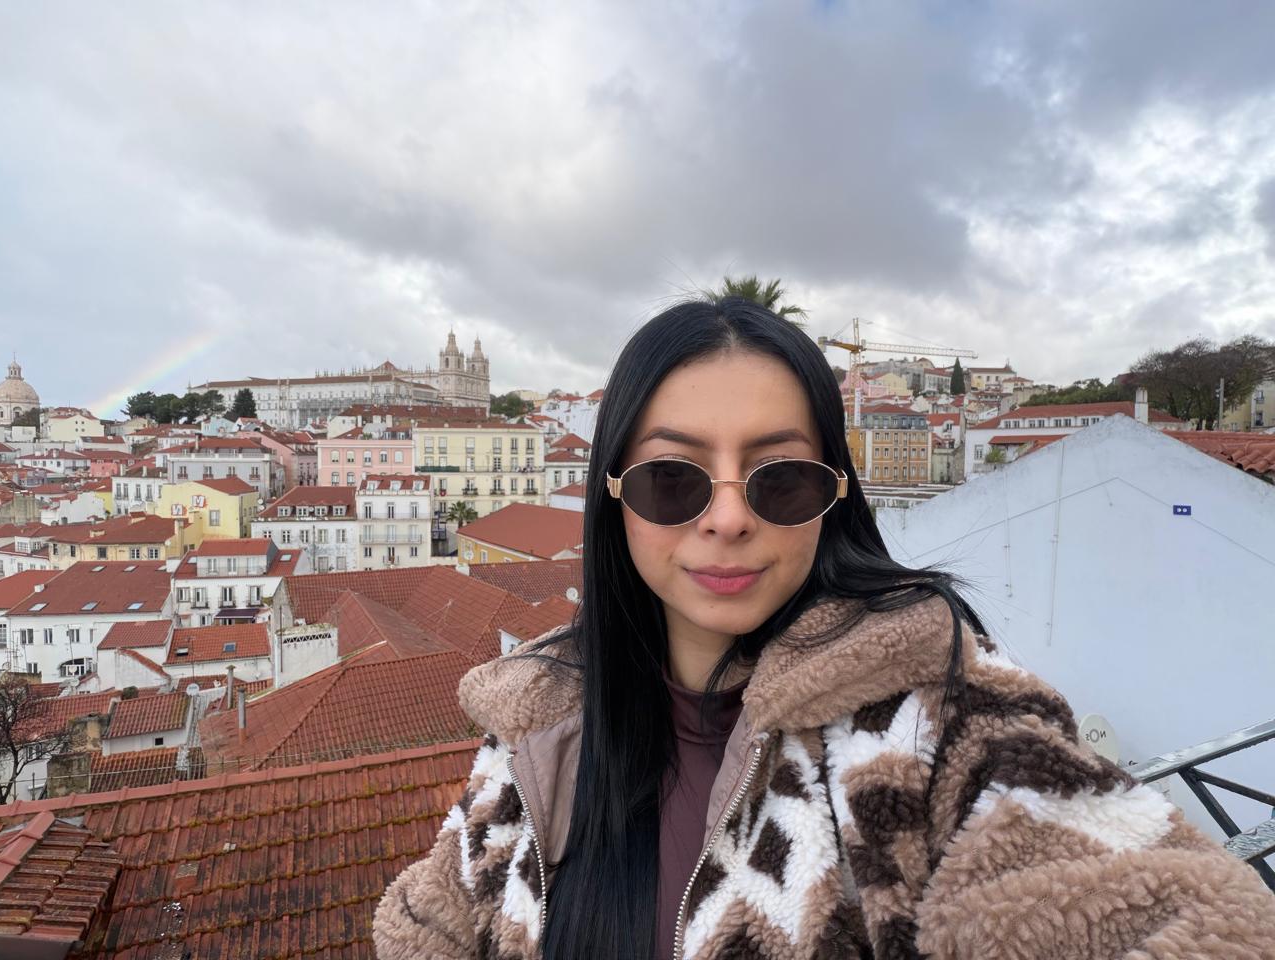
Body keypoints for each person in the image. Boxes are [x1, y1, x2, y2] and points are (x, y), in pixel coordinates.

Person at [374, 298, 1274, 959]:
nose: (728, 519)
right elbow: (426, 928)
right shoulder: (537, 725)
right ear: (613, 497)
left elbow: (1187, 920)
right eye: (673, 480)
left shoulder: (939, 723)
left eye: (780, 479)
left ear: (833, 498)